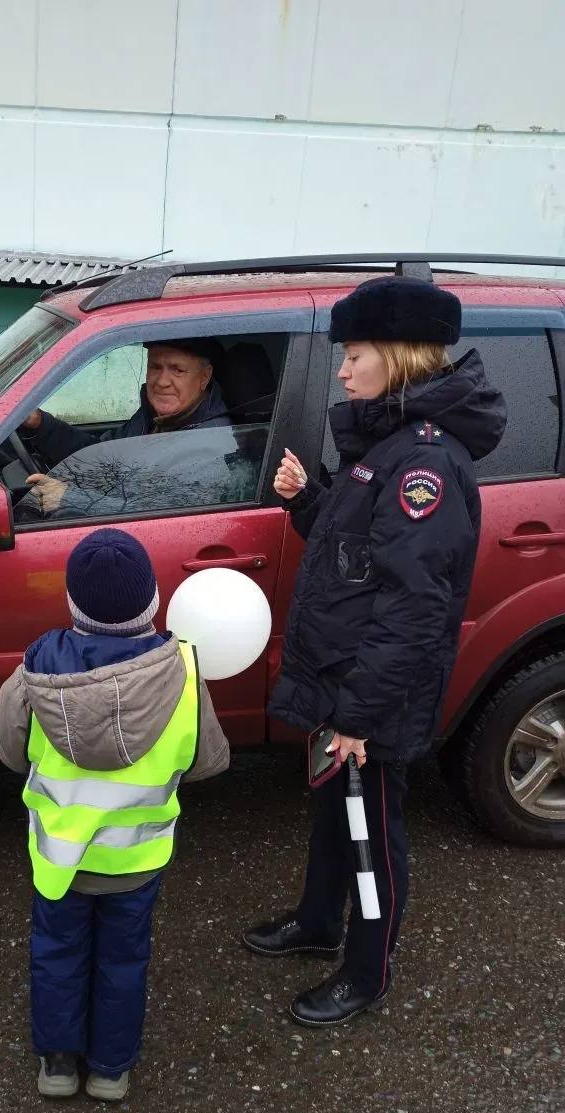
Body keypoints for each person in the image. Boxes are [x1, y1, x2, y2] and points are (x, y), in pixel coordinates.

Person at [243, 276, 506, 1026]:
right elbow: (357, 556)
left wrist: (359, 714)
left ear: (394, 355)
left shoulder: (425, 463)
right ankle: (319, 924)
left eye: (353, 354)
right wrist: (306, 501)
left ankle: (367, 969)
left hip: (371, 694)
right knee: (335, 809)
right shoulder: (386, 446)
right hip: (344, 679)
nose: (342, 369)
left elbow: (414, 608)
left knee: (371, 834)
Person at [0, 529, 230, 1099]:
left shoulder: (34, 672)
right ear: (152, 601)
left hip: (58, 860)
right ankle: (109, 1070)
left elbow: (7, 749)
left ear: (72, 603)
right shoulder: (184, 672)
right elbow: (207, 761)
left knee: (56, 954)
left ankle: (56, 1064)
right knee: (124, 962)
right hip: (136, 862)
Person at [20, 339, 230, 513]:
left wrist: (69, 498)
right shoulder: (153, 419)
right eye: (155, 367)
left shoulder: (210, 446)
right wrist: (41, 425)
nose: (162, 381)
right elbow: (100, 457)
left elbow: (161, 517)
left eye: (177, 370)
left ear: (204, 377)